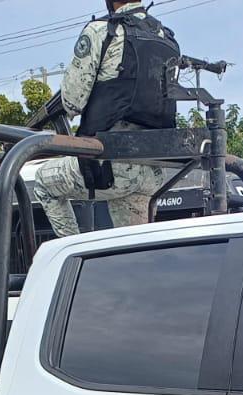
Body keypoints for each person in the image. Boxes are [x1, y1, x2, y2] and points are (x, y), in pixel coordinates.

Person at [31, 0, 178, 239]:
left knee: (44, 182)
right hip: (154, 169)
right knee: (134, 249)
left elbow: (72, 101)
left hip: (110, 165)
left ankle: (71, 251)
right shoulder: (167, 38)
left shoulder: (102, 31)